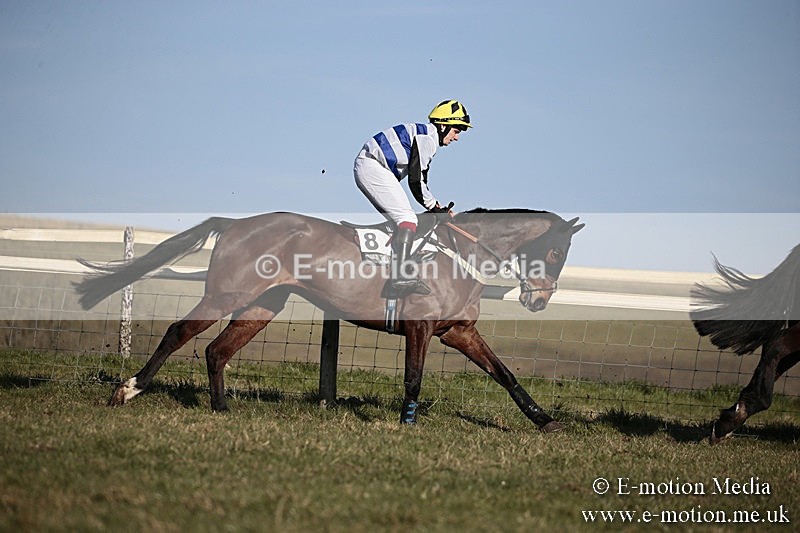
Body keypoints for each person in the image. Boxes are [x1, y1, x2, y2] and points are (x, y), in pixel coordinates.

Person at [353, 99, 472, 294]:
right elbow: (416, 182)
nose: (457, 137)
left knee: (401, 221)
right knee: (407, 218)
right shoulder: (428, 139)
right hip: (373, 166)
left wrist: (436, 206)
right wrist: (435, 207)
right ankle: (401, 275)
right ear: (443, 125)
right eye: (456, 130)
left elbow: (420, 181)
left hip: (373, 166)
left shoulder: (425, 135)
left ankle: (387, 266)